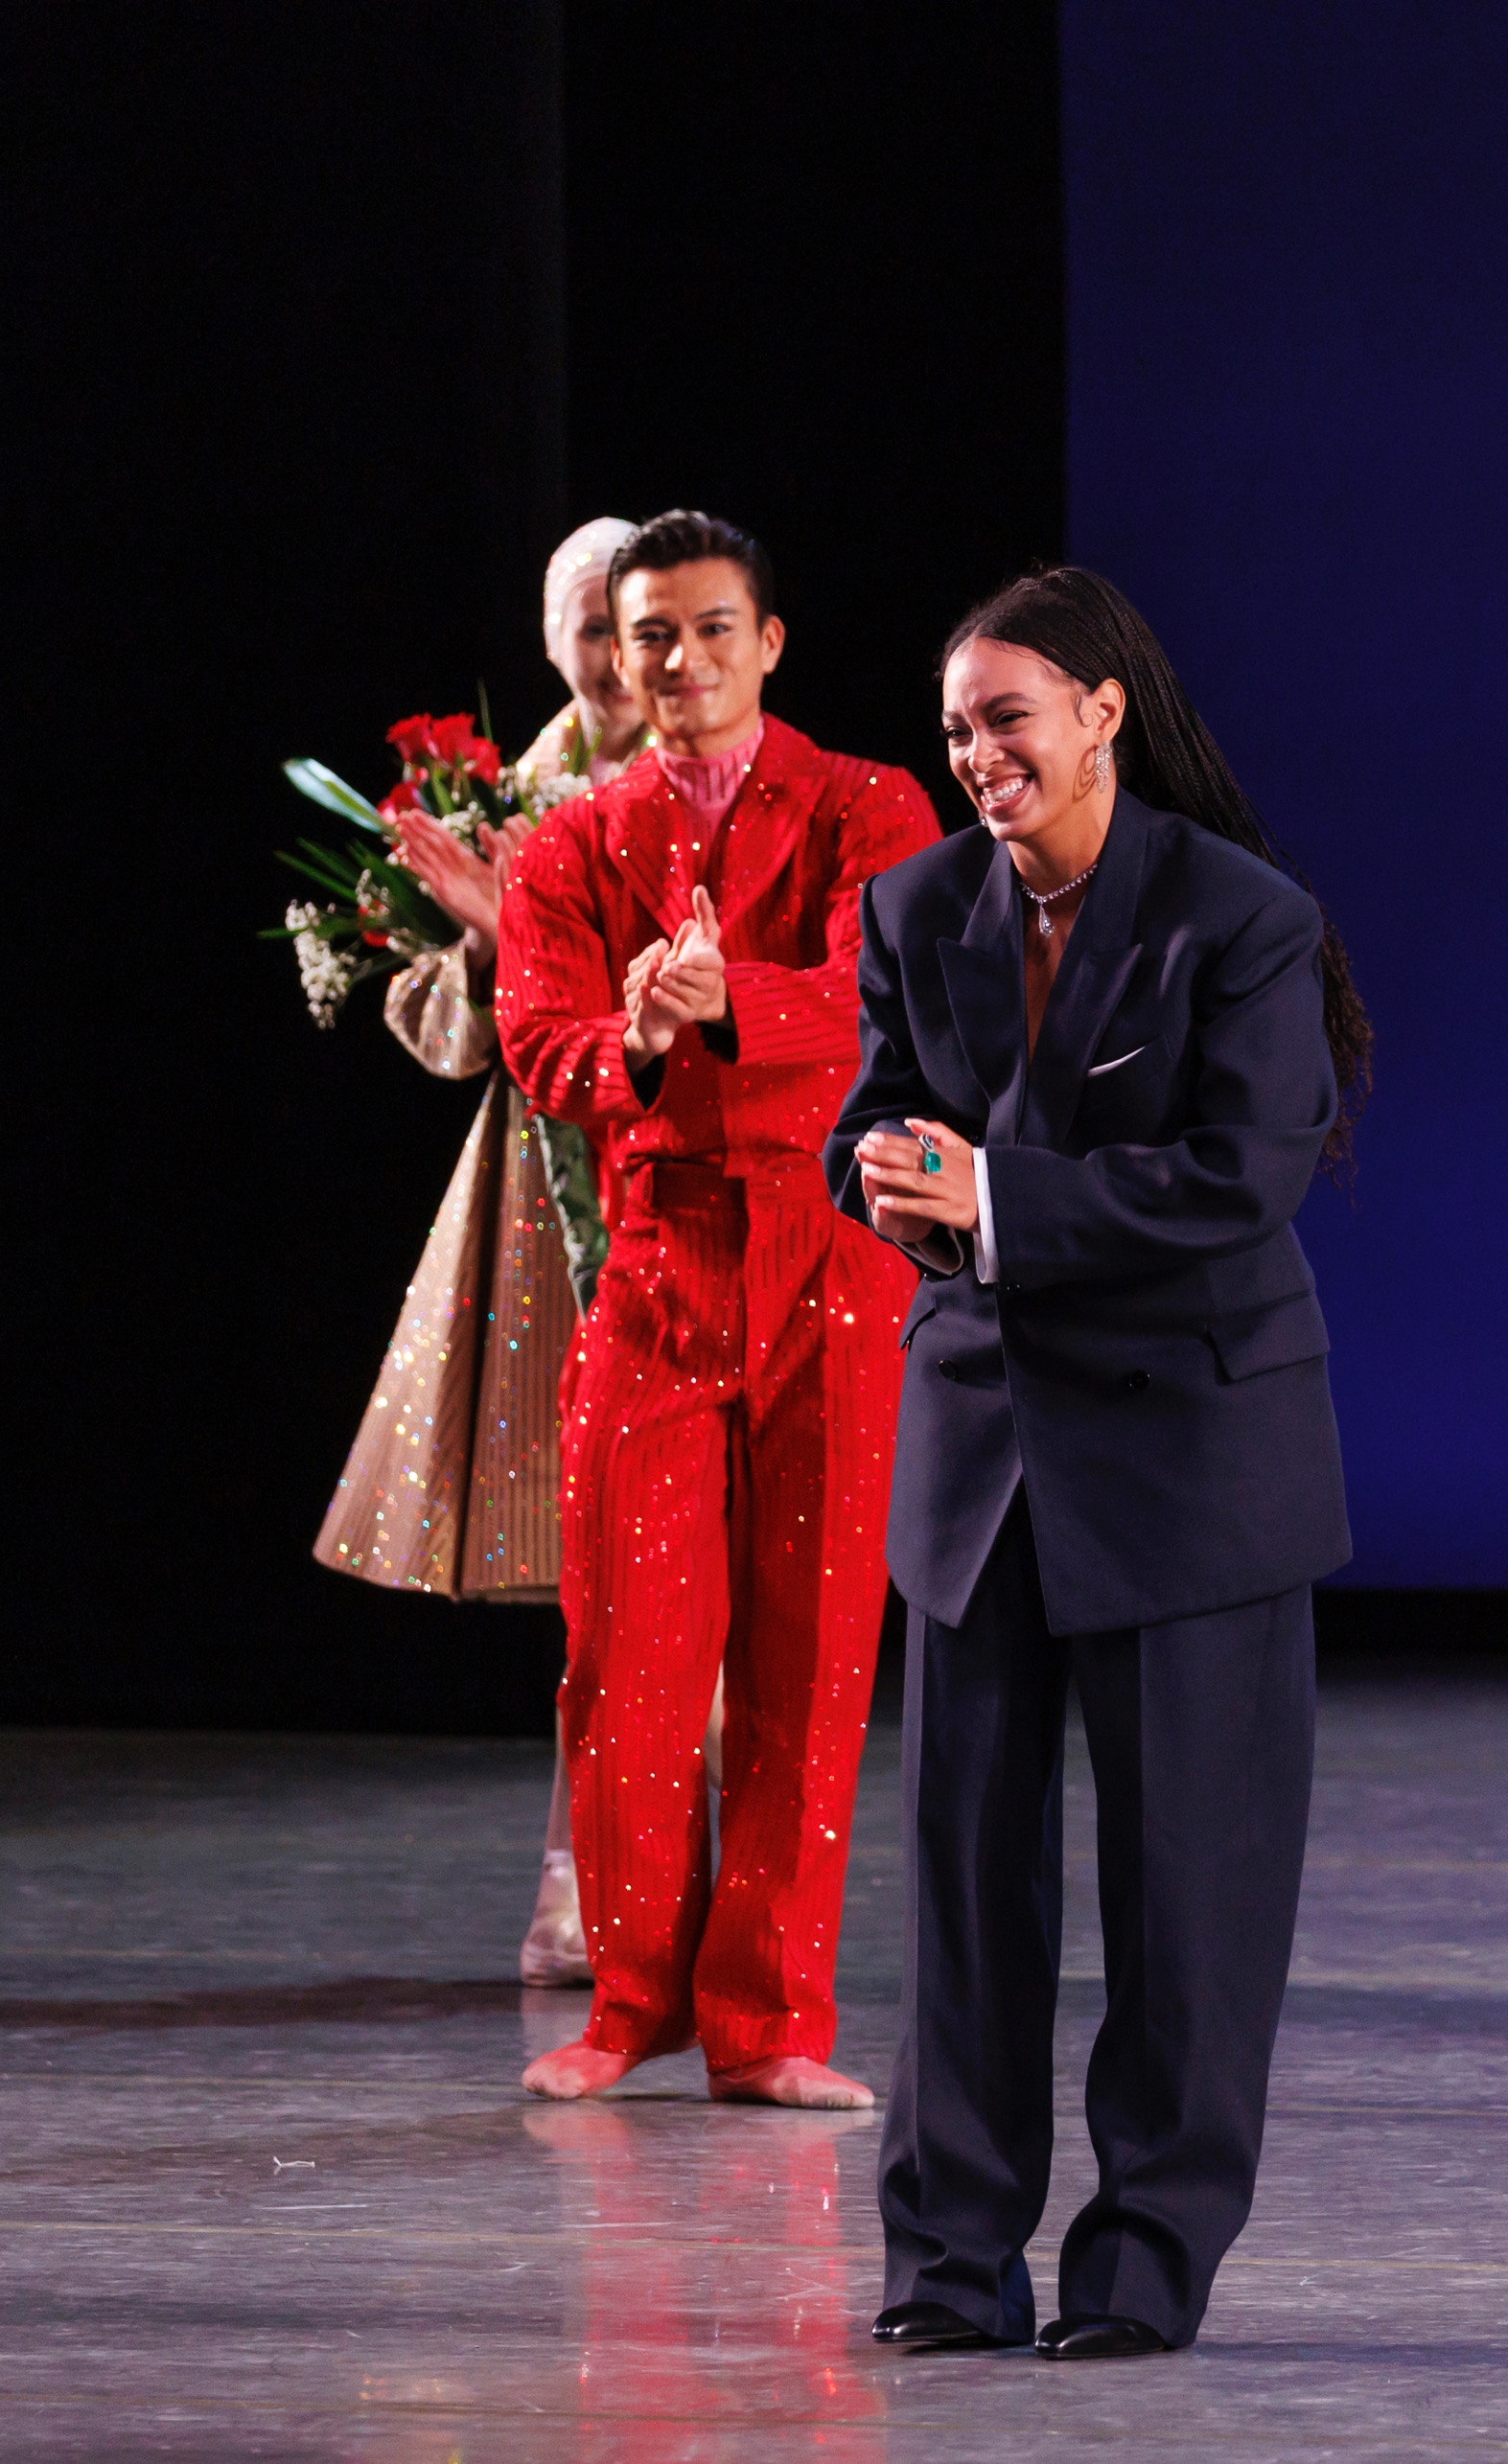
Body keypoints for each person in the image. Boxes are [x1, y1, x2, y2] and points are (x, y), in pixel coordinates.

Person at [833, 565, 1366, 2360]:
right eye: (958, 729)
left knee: (1188, 1900)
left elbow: (1245, 1181)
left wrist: (998, 1197)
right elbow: (869, 1124)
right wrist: (894, 1188)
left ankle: (1143, 2266)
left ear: (1102, 714)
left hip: (1195, 1463)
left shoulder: (1243, 919)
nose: (980, 757)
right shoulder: (912, 909)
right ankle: (944, 2264)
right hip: (984, 1472)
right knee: (965, 1898)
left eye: (1009, 719)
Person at [496, 508, 938, 2107]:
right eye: (646, 636)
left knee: (813, 1651)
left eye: (707, 628)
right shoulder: (567, 845)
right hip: (662, 1256)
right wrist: (641, 1039)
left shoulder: (869, 806)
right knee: (630, 1649)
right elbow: (538, 1040)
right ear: (613, 655)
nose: (674, 661)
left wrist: (732, 996)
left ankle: (767, 2026)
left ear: (769, 640)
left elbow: (895, 997)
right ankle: (628, 2006)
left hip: (832, 1255)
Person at [316, 515, 644, 1990]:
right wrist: (494, 936)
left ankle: (675, 1881)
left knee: (679, 1548)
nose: (611, 656)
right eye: (583, 625)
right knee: (595, 1561)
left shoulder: (703, 778)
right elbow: (450, 1028)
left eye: (628, 624)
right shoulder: (509, 795)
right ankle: (586, 1880)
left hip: (672, 1178)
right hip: (544, 1205)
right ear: (550, 638)